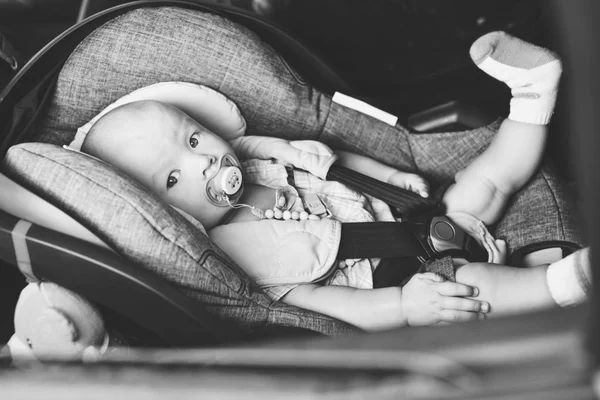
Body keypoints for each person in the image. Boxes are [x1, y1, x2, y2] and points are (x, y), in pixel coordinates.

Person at [79, 31, 590, 331]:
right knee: (478, 288)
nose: (203, 165)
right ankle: (568, 281)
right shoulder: (238, 258)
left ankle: (531, 97)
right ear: (169, 212)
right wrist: (405, 307)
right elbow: (328, 305)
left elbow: (339, 164)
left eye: (193, 141)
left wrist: (390, 175)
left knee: (489, 179)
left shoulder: (266, 161)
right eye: (173, 177)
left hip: (427, 221)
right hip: (412, 284)